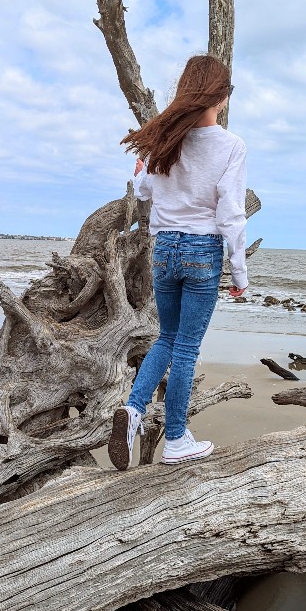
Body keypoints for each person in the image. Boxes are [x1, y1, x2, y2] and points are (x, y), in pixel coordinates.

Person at [108, 54, 248, 470]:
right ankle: (174, 440)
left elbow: (145, 193)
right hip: (202, 250)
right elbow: (231, 213)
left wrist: (139, 172)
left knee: (166, 339)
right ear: (220, 97)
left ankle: (133, 411)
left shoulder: (164, 141)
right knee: (186, 347)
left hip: (164, 249)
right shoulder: (231, 146)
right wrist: (239, 270)